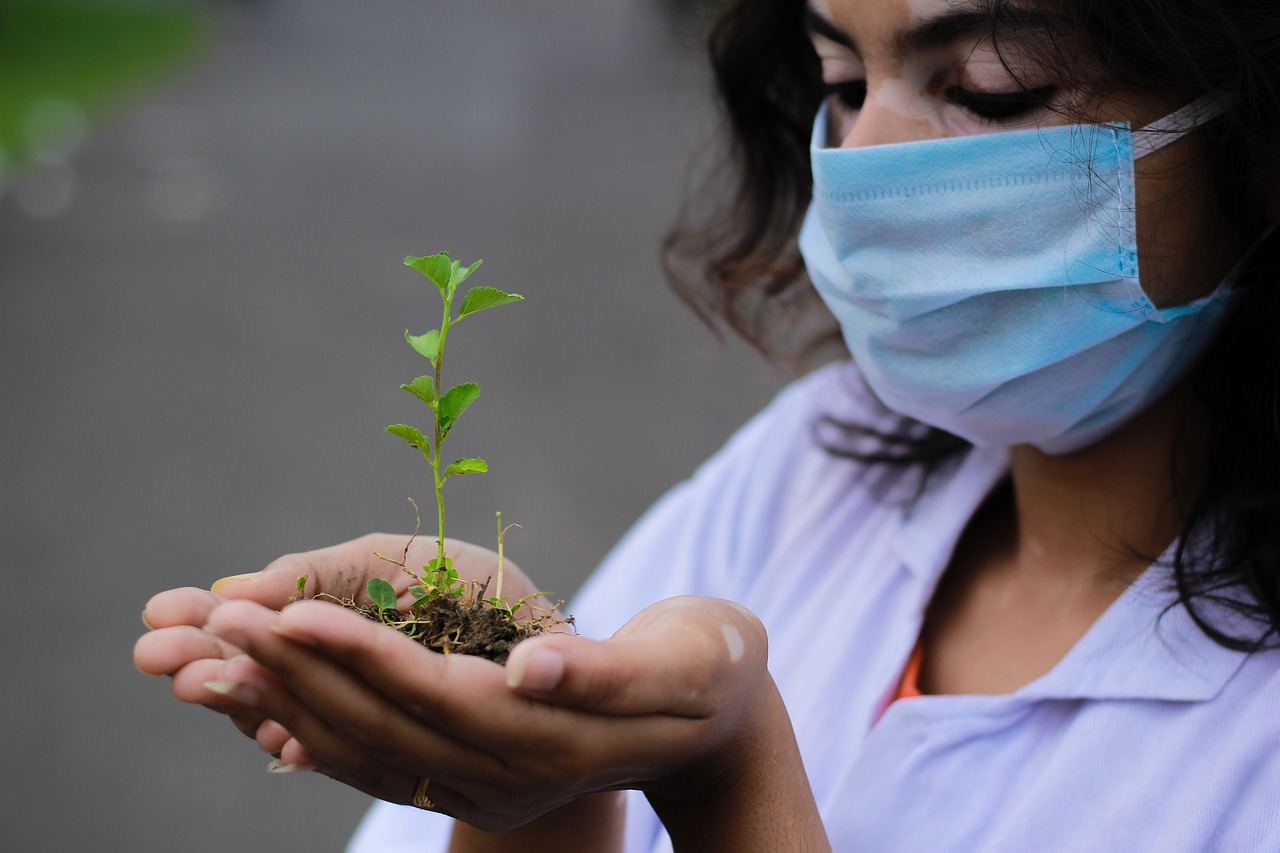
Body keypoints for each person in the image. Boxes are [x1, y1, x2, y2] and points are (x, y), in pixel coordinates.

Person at [135, 0, 1280, 849]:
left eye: (990, 88)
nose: (863, 166)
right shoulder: (817, 462)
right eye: (841, 82)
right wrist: (537, 782)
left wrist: (723, 769)